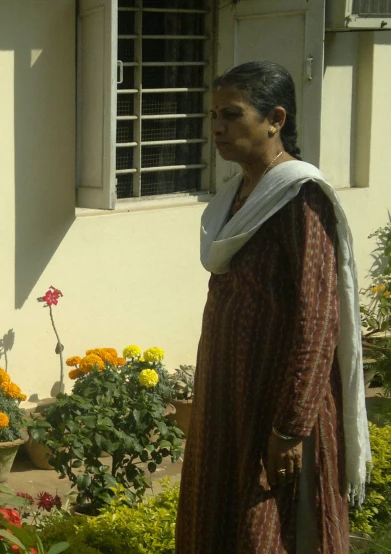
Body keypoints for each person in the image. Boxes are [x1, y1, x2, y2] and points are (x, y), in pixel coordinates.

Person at [176, 61, 372, 553]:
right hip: (229, 396)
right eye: (213, 115)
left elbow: (318, 319)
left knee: (272, 527)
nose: (217, 127)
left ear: (275, 119)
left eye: (232, 114)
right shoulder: (235, 198)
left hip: (274, 400)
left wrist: (290, 426)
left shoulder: (298, 198)